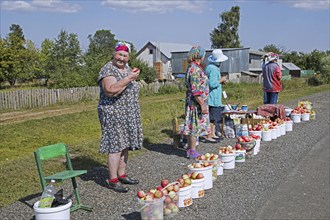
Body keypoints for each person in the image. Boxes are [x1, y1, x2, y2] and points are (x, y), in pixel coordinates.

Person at [97, 42, 143, 193]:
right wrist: (129, 78)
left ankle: (122, 174)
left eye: (125, 55)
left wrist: (130, 76)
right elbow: (110, 90)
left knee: (125, 145)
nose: (121, 58)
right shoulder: (108, 69)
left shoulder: (128, 69)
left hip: (127, 113)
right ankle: (113, 180)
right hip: (113, 114)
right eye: (119, 54)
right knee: (116, 146)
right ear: (113, 54)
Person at [182, 46, 211, 159]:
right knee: (194, 126)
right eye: (203, 55)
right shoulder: (194, 69)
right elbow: (196, 90)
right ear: (199, 55)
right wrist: (202, 104)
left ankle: (190, 149)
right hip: (195, 103)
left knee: (192, 125)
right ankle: (192, 150)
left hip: (195, 102)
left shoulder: (194, 67)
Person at [205, 49, 228, 142]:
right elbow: (212, 83)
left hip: (213, 96)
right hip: (213, 97)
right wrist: (221, 80)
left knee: (214, 118)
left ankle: (213, 134)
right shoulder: (213, 69)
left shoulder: (210, 67)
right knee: (212, 117)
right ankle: (209, 135)